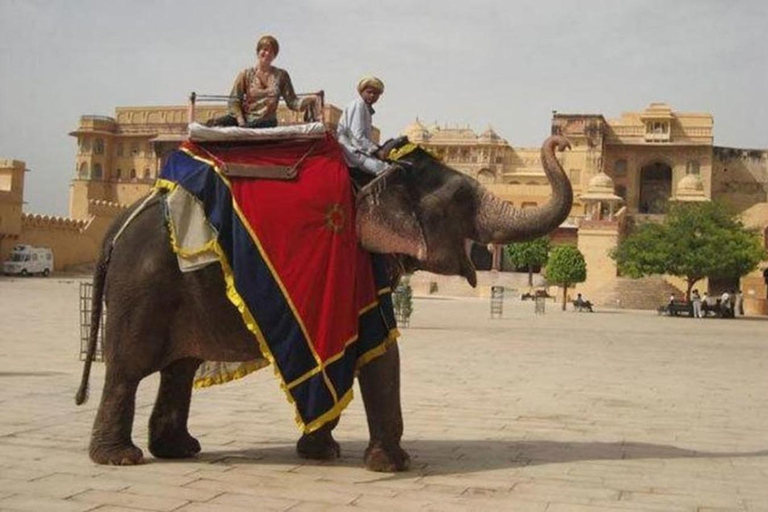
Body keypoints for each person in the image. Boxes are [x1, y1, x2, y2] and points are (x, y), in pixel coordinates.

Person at [207, 35, 318, 129]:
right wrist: (240, 121)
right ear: (258, 51)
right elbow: (234, 101)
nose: (267, 53)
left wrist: (310, 100)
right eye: (264, 49)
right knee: (215, 124)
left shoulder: (281, 75)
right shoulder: (245, 74)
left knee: (250, 128)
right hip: (246, 118)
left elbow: (293, 102)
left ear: (275, 55)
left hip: (266, 121)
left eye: (272, 51)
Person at [336, 76, 391, 175]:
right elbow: (358, 137)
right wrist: (377, 151)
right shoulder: (358, 105)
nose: (372, 95)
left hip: (360, 151)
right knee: (388, 171)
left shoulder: (366, 108)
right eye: (369, 92)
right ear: (362, 92)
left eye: (375, 94)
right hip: (352, 152)